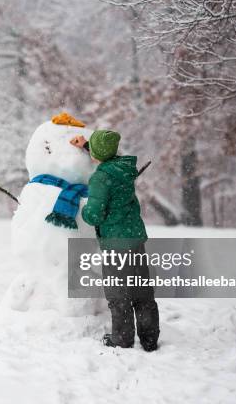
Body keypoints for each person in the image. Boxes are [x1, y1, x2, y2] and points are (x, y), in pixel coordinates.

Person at [70, 131, 160, 352]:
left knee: (118, 293)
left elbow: (95, 214)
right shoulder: (123, 168)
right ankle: (149, 339)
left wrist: (83, 211)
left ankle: (122, 338)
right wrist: (87, 146)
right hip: (134, 237)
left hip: (115, 244)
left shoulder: (100, 177)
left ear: (98, 154)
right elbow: (106, 155)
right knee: (142, 292)